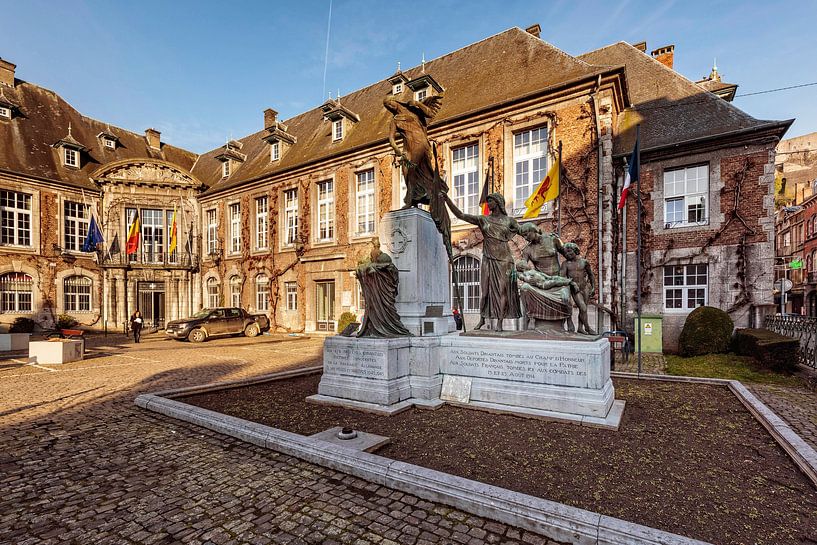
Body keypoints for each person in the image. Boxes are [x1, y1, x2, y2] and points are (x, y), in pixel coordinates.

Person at [384, 94, 452, 259]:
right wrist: (398, 151)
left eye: (390, 103)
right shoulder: (395, 120)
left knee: (413, 170)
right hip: (408, 148)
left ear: (395, 101)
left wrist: (417, 103)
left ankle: (411, 200)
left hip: (421, 145)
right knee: (406, 172)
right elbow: (391, 138)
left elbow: (429, 113)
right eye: (387, 106)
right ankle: (415, 199)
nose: (390, 106)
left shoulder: (413, 109)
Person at [443, 191, 521, 332]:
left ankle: (500, 321)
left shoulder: (509, 221)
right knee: (484, 292)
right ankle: (482, 319)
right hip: (488, 257)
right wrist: (447, 199)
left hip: (504, 259)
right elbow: (461, 215)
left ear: (498, 202)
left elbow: (526, 232)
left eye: (490, 201)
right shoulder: (483, 219)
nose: (488, 203)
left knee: (502, 291)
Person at [355, 238, 412, 338]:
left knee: (386, 305)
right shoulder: (378, 260)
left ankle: (385, 325)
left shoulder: (382, 261)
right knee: (384, 306)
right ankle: (381, 325)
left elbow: (385, 270)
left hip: (383, 290)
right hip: (380, 290)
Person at [515, 261, 574, 331]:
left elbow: (548, 277)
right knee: (554, 282)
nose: (528, 265)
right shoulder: (525, 273)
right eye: (526, 264)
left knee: (556, 278)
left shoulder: (534, 271)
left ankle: (568, 281)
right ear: (523, 267)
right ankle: (568, 282)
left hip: (546, 280)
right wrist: (526, 279)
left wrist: (551, 277)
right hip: (541, 285)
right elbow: (521, 277)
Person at [560, 242, 597, 335]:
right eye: (565, 253)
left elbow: (591, 275)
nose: (567, 254)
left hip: (585, 287)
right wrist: (572, 283)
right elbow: (562, 278)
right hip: (575, 289)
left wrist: (593, 287)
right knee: (583, 307)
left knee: (583, 309)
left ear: (575, 251)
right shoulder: (565, 264)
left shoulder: (584, 262)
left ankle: (580, 328)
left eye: (569, 251)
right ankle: (588, 328)